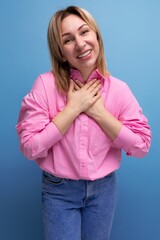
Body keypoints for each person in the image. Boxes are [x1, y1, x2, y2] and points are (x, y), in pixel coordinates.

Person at [16, 5, 151, 240]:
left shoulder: (119, 90)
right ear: (60, 52)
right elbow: (30, 147)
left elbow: (141, 146)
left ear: (96, 35)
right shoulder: (45, 85)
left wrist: (99, 113)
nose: (80, 44)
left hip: (104, 191)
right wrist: (73, 108)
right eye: (68, 40)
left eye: (84, 32)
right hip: (59, 191)